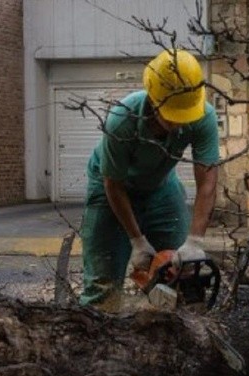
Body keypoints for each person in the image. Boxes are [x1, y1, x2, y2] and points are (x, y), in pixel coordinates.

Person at [80, 49, 220, 306]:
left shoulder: (203, 116)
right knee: (103, 285)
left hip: (161, 185)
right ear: (155, 102)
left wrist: (195, 241)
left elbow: (208, 181)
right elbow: (114, 184)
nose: (179, 124)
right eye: (173, 117)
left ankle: (170, 330)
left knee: (182, 274)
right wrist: (137, 240)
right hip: (110, 187)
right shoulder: (122, 120)